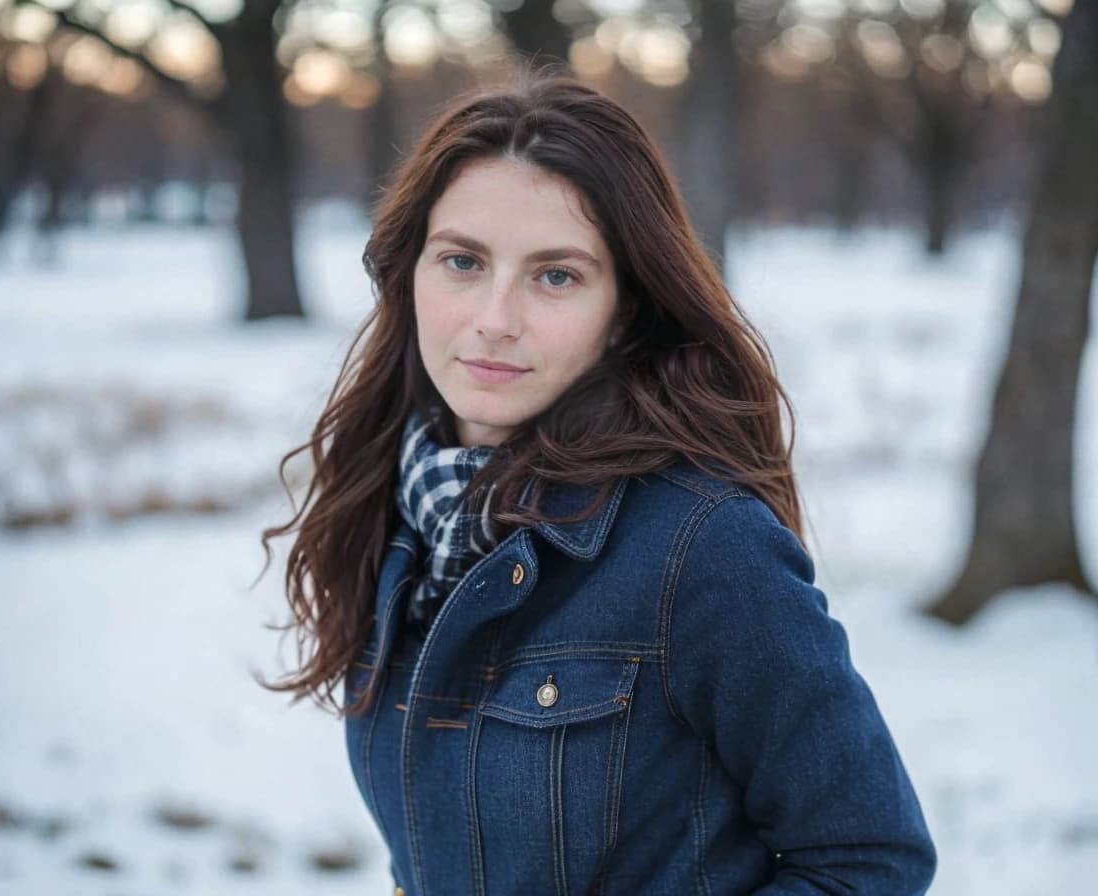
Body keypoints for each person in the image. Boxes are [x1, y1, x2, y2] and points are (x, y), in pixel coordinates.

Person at [259, 69, 937, 895]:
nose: (494, 319)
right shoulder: (403, 516)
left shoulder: (703, 547)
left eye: (556, 276)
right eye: (463, 261)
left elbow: (869, 860)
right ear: (410, 273)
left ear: (627, 309)